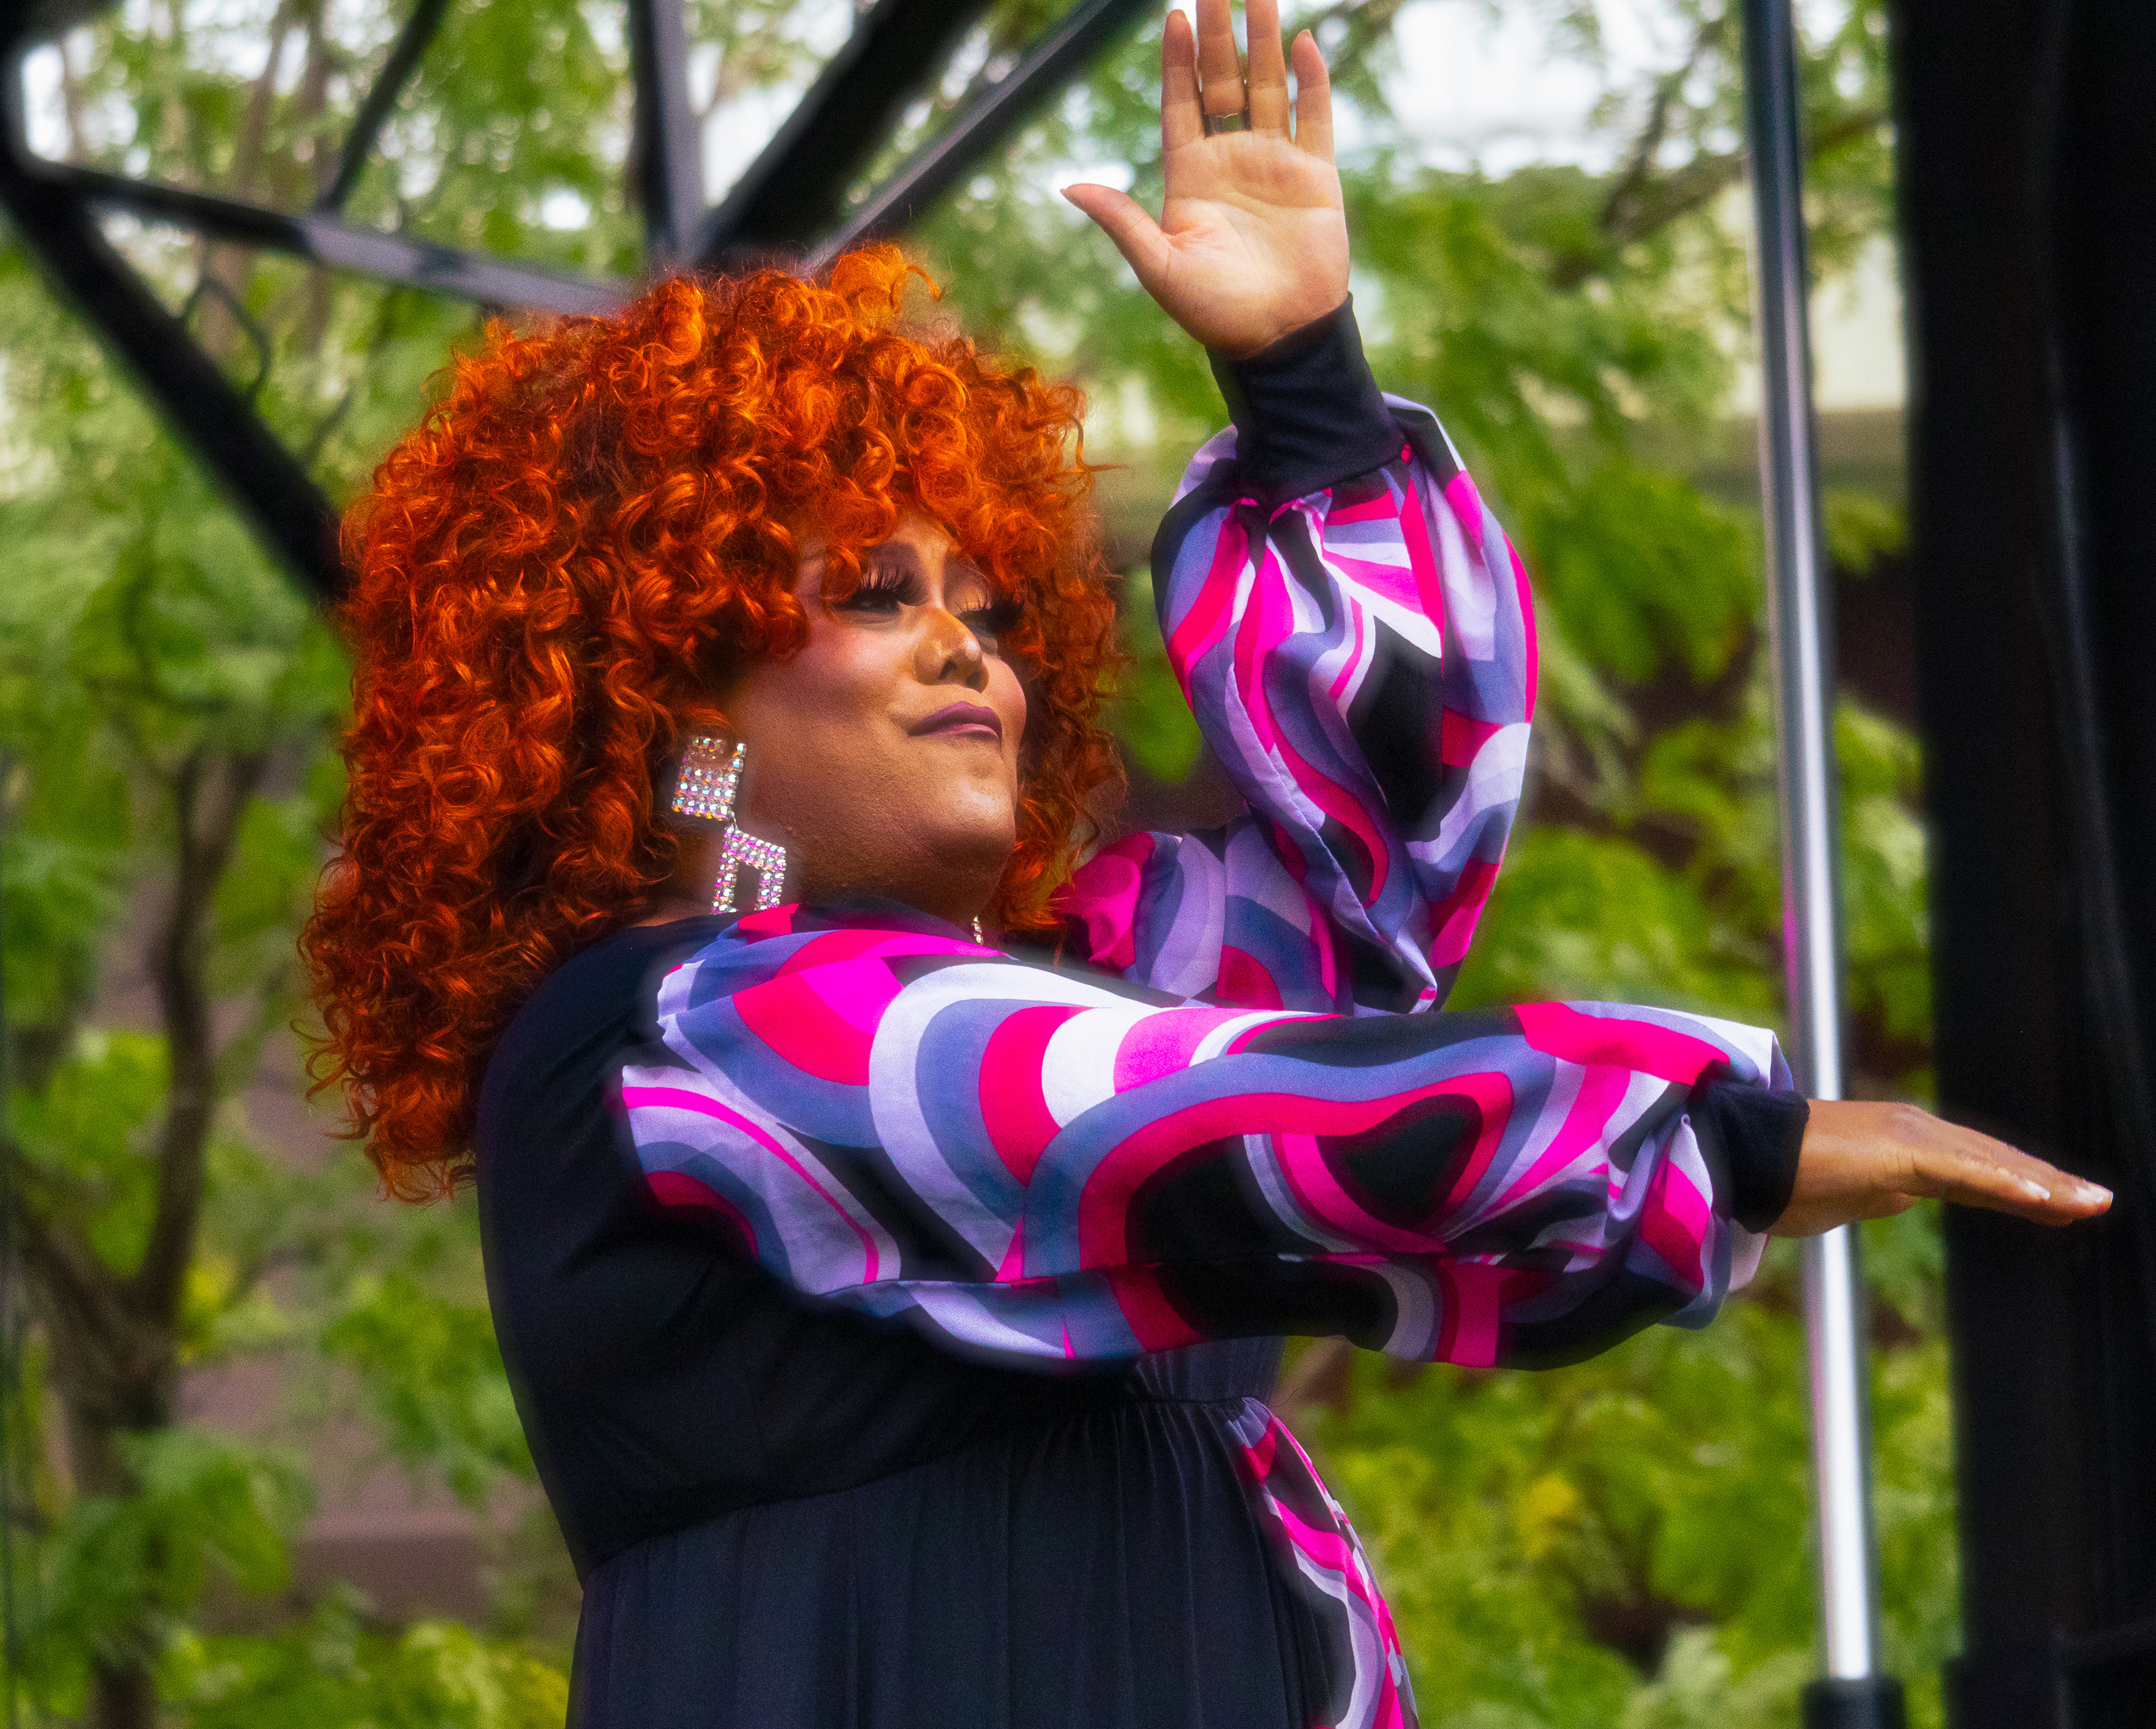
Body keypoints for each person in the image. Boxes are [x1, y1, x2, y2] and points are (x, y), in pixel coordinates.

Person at [302, 2, 2111, 1721]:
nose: (969, 651)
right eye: (870, 594)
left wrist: (1308, 390)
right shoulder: (672, 1033)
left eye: (992, 610)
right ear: (665, 684)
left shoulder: (1072, 977)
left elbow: (1378, 889)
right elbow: (1169, 1110)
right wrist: (1716, 1136)